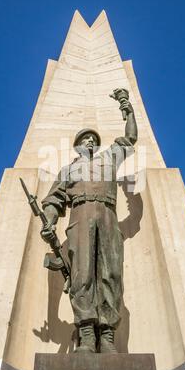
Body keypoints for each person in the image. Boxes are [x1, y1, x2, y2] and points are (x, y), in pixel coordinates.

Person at [41, 89, 138, 353]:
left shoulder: (109, 159)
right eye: (85, 139)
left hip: (108, 215)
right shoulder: (68, 169)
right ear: (77, 144)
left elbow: (130, 138)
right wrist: (48, 222)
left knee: (110, 273)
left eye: (93, 139)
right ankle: (85, 333)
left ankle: (106, 335)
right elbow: (53, 201)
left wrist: (125, 107)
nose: (90, 142)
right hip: (80, 216)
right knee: (82, 274)